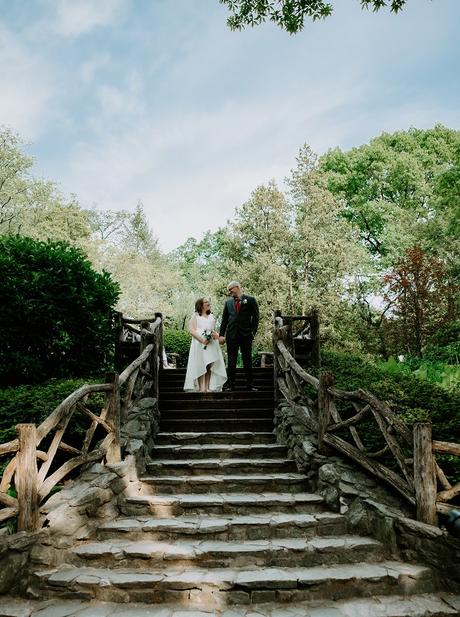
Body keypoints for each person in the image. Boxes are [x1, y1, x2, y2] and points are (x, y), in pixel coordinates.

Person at [219, 281, 259, 392]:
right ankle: (231, 385)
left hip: (246, 335)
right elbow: (224, 320)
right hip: (231, 336)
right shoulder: (228, 303)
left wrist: (252, 333)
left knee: (247, 360)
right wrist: (222, 335)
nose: (229, 292)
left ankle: (250, 385)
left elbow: (256, 317)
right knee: (231, 362)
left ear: (236, 287)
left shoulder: (250, 300)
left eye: (230, 289)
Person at [184, 298, 227, 393]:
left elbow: (213, 329)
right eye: (206, 302)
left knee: (209, 364)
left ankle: (207, 387)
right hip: (199, 343)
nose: (209, 303)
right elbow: (192, 330)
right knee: (200, 364)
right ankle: (201, 387)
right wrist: (202, 340)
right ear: (201, 305)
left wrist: (216, 336)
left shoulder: (211, 316)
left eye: (209, 302)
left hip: (211, 343)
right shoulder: (195, 316)